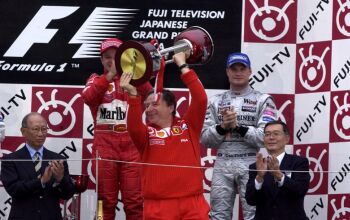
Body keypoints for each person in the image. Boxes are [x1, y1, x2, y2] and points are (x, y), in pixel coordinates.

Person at [120, 52, 210, 220]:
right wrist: (133, 95)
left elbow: (201, 99)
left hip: (193, 203)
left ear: (171, 108)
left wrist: (183, 66)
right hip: (158, 207)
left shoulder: (188, 126)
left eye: (154, 104)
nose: (148, 109)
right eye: (146, 106)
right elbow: (132, 127)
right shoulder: (146, 134)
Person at [200, 52, 278, 220]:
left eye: (242, 68)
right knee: (218, 216)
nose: (238, 72)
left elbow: (266, 139)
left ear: (250, 71)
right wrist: (222, 127)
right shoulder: (215, 101)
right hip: (222, 161)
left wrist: (238, 127)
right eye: (233, 68)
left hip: (251, 161)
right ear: (227, 72)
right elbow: (205, 139)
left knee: (254, 214)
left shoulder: (263, 100)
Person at [82, 38, 152, 220]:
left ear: (124, 57)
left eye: (116, 56)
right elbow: (88, 98)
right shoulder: (95, 80)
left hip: (132, 150)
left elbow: (153, 97)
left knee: (135, 202)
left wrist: (147, 64)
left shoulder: (136, 79)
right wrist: (110, 75)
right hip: (105, 150)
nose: (111, 60)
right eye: (107, 57)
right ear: (101, 60)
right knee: (104, 202)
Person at [1, 112, 75, 220]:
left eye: (44, 129)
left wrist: (60, 179)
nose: (40, 134)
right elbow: (14, 190)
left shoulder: (58, 159)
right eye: (36, 129)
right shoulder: (11, 159)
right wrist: (41, 181)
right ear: (23, 131)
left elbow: (67, 194)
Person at [245, 121, 310, 220]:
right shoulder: (256, 166)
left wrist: (279, 175)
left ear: (286, 139)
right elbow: (250, 200)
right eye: (267, 134)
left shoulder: (299, 162)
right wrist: (259, 178)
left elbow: (300, 190)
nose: (271, 137)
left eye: (276, 134)